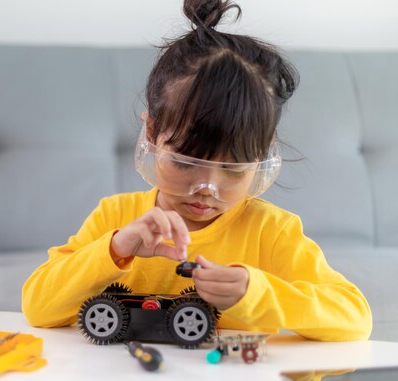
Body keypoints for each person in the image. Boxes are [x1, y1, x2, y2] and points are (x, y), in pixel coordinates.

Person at [21, 0, 372, 341]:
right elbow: (38, 306)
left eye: (233, 169)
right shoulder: (116, 217)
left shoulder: (272, 232)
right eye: (186, 162)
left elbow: (354, 317)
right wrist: (114, 250)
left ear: (264, 154)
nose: (207, 187)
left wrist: (258, 292)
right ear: (152, 134)